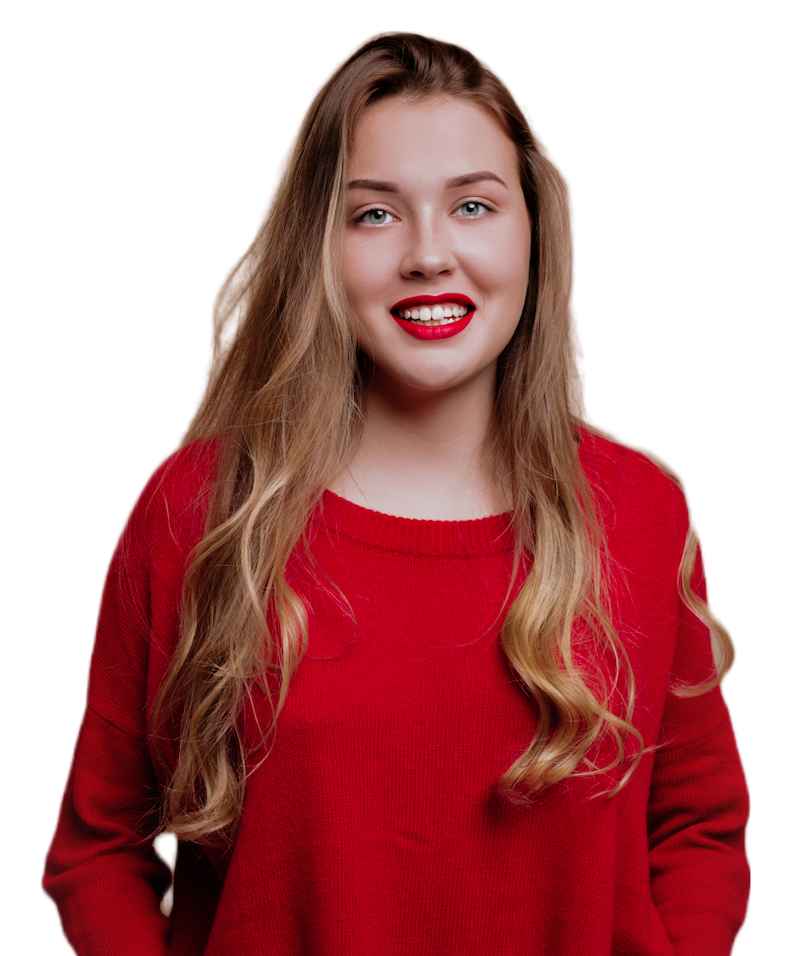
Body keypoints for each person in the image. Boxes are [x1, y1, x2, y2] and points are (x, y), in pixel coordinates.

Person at [41, 30, 750, 956]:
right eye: (374, 214)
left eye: (473, 205)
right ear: (319, 246)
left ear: (534, 230)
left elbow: (698, 826)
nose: (428, 254)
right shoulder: (202, 510)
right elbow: (100, 848)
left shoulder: (637, 508)